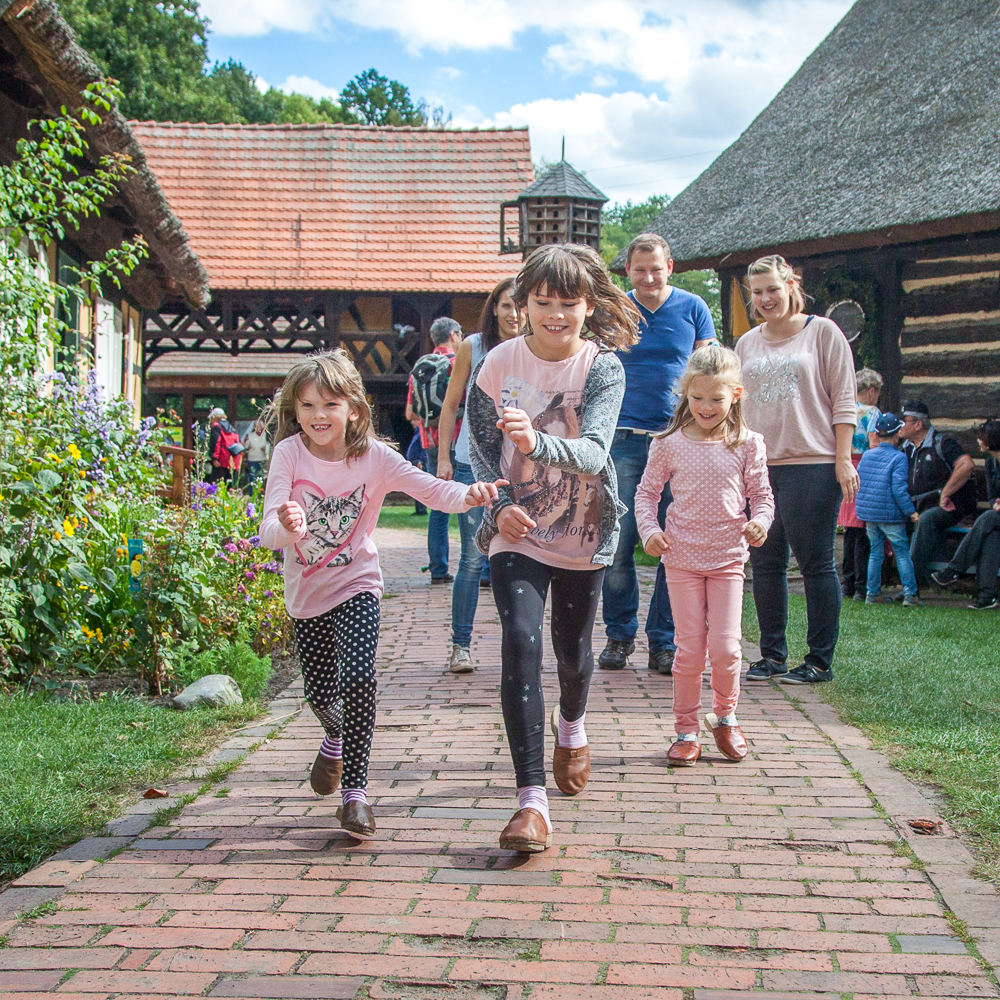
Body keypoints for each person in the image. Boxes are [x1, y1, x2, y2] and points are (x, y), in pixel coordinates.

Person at [260, 350, 503, 837]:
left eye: (329, 404)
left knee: (359, 677)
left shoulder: (374, 457)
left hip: (358, 584)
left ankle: (356, 795)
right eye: (307, 406)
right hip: (306, 593)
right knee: (321, 695)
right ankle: (333, 736)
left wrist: (470, 495)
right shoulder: (289, 453)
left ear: (353, 407)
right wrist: (285, 526)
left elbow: (433, 491)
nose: (318, 416)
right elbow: (267, 532)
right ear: (295, 411)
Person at [468, 243, 639, 853]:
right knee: (521, 641)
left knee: (571, 654)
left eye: (568, 304)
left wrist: (538, 443)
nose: (555, 315)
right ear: (525, 304)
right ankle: (531, 802)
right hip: (519, 532)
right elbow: (483, 450)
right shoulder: (496, 365)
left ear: (588, 306)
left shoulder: (603, 368)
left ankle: (574, 724)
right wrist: (497, 505)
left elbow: (595, 451)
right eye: (544, 303)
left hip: (583, 530)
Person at [636, 345, 773, 766]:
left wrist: (760, 523)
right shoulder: (668, 443)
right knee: (690, 650)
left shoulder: (749, 443)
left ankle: (726, 717)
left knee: (728, 649)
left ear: (736, 394)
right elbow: (646, 495)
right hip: (681, 559)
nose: (706, 407)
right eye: (697, 398)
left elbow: (762, 496)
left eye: (716, 398)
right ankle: (686, 729)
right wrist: (650, 530)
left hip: (729, 558)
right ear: (685, 395)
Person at [736, 256, 859, 685]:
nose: (766, 299)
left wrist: (843, 459)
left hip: (812, 463)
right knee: (765, 563)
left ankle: (819, 661)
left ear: (791, 284)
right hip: (758, 467)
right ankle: (771, 656)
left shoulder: (823, 332)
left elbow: (845, 400)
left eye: (773, 288)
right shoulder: (747, 343)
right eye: (757, 292)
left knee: (815, 564)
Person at [599, 233, 717, 675]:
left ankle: (664, 642)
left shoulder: (693, 308)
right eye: (639, 269)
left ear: (671, 267)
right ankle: (618, 635)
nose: (648, 277)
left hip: (677, 441)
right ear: (627, 270)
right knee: (619, 542)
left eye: (656, 268)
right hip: (623, 439)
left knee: (675, 543)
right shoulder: (615, 310)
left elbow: (707, 373)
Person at [435, 278, 522, 673]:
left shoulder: (537, 349)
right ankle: (460, 645)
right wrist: (443, 459)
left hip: (521, 465)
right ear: (495, 309)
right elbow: (451, 403)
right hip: (472, 462)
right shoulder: (473, 346)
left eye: (521, 305)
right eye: (507, 305)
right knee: (472, 558)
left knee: (521, 558)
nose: (514, 314)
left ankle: (520, 647)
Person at [405, 317, 464, 584]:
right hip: (458, 440)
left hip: (430, 443)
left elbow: (410, 413)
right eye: (460, 334)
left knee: (438, 509)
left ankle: (438, 569)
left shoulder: (419, 368)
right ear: (453, 335)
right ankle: (475, 568)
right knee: (471, 503)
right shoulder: (457, 364)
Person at [898, 400, 977, 588]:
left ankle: (911, 584)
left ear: (918, 424)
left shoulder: (943, 443)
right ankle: (866, 584)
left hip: (946, 507)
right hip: (915, 507)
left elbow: (966, 465)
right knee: (882, 517)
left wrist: (946, 493)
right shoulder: (905, 449)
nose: (900, 425)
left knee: (927, 519)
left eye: (904, 421)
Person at [932, 419, 1000, 609]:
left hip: (994, 518)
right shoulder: (991, 463)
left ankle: (953, 569)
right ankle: (987, 596)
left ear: (990, 440)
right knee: (992, 536)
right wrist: (995, 504)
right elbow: (993, 496)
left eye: (980, 438)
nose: (978, 442)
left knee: (986, 519)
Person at [855, 413, 921, 606]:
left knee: (876, 552)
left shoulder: (867, 455)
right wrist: (910, 512)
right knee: (901, 552)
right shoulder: (899, 458)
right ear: (898, 432)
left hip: (869, 513)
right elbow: (899, 489)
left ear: (878, 433)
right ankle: (910, 594)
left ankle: (872, 593)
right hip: (890, 514)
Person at [839, 368, 882, 601]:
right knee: (863, 529)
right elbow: (874, 445)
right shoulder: (873, 413)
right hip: (864, 467)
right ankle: (860, 586)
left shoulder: (846, 409)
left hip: (845, 466)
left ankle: (847, 583)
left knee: (849, 531)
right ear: (872, 390)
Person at [206, 407, 243, 485]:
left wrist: (214, 457)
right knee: (230, 484)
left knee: (218, 483)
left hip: (221, 459)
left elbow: (216, 442)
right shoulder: (232, 428)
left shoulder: (216, 426)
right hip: (232, 459)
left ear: (215, 417)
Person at [405, 420, 429, 516]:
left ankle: (422, 509)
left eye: (414, 420)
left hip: (419, 461)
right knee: (416, 486)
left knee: (421, 486)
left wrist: (421, 461)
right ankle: (419, 509)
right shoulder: (417, 431)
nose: (411, 421)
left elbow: (424, 447)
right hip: (415, 460)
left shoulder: (422, 431)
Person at [242, 418, 271, 485]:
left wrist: (266, 448)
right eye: (256, 426)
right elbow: (246, 446)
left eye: (259, 426)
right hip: (253, 459)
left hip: (262, 458)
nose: (258, 428)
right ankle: (251, 493)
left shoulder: (266, 435)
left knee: (263, 478)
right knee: (253, 478)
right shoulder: (250, 435)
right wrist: (245, 441)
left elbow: (270, 445)